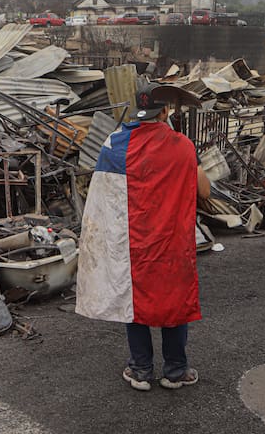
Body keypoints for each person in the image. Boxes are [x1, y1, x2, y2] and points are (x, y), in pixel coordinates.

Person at [76, 82, 211, 391]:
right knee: (173, 304)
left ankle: (140, 370)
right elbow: (204, 191)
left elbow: (102, 199)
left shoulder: (114, 144)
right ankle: (176, 371)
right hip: (173, 242)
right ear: (165, 111)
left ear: (140, 110)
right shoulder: (183, 146)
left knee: (133, 301)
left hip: (131, 243)